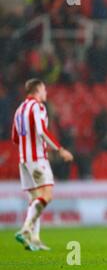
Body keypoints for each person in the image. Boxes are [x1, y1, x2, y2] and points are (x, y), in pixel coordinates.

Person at [12, 78, 74, 251]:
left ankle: (35, 240)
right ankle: (25, 229)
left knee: (35, 200)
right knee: (47, 196)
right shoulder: (37, 107)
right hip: (37, 158)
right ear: (38, 90)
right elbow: (42, 131)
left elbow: (15, 138)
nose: (46, 92)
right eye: (44, 89)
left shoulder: (19, 110)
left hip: (23, 159)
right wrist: (60, 149)